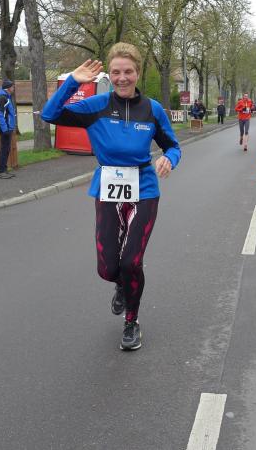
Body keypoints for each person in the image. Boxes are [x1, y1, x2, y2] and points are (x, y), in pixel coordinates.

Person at [41, 42, 181, 351]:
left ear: (137, 72)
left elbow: (172, 145)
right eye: (116, 72)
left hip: (144, 189)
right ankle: (121, 284)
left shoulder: (152, 109)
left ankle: (132, 321)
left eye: (128, 71)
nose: (122, 78)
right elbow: (50, 115)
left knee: (131, 261)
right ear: (110, 74)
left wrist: (169, 159)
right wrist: (72, 82)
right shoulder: (96, 106)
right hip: (107, 187)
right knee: (107, 268)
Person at [0, 79, 17, 179]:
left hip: (8, 127)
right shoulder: (1, 98)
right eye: (12, 86)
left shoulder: (7, 97)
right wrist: (5, 129)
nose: (13, 88)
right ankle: (1, 171)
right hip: (4, 128)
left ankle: (4, 170)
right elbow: (0, 114)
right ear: (8, 88)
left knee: (6, 149)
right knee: (4, 149)